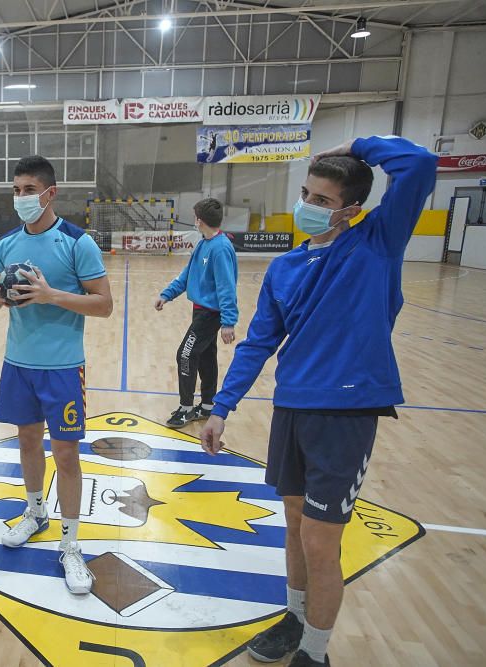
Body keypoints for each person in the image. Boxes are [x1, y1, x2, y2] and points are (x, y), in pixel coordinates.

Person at [199, 136, 437, 667]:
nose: (308, 206)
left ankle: (316, 650)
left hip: (345, 415)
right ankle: (295, 616)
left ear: (353, 210)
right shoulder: (284, 268)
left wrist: (356, 144)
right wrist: (221, 407)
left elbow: (419, 163)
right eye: (305, 194)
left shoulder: (378, 241)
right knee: (294, 527)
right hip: (293, 409)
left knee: (321, 542)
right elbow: (259, 341)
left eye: (322, 200)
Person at [0, 155, 113, 595]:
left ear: (50, 193)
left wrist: (49, 294)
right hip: (18, 363)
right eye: (16, 190)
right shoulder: (5, 245)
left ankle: (72, 545)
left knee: (67, 455)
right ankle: (35, 513)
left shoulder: (77, 242)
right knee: (25, 441)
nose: (21, 197)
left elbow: (104, 304)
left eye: (29, 189)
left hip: (62, 368)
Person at [155, 198, 238, 428]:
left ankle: (186, 408)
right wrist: (167, 294)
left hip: (210, 315)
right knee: (205, 356)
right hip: (200, 311)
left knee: (185, 354)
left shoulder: (220, 248)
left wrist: (228, 322)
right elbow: (187, 274)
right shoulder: (204, 244)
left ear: (199, 220)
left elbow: (226, 287)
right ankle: (208, 405)